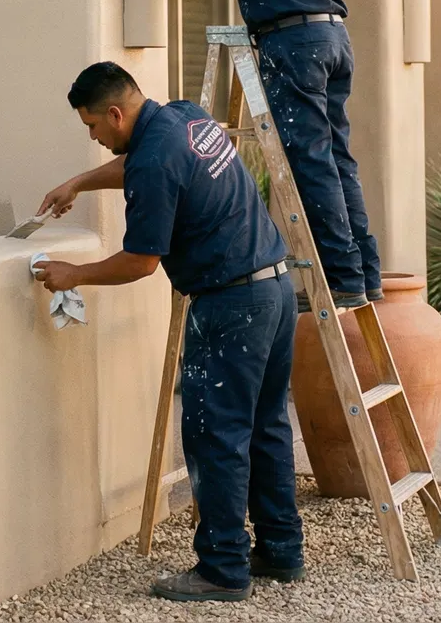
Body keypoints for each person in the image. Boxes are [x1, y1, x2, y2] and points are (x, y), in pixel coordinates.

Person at [35, 62, 304, 602]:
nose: (94, 137)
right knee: (266, 425)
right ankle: (280, 551)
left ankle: (223, 570)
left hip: (231, 304)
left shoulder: (154, 157)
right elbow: (146, 164)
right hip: (275, 289)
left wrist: (75, 274)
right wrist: (81, 183)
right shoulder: (183, 117)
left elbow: (141, 261)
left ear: (115, 113)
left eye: (92, 127)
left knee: (215, 435)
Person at [128, 0, 380, 308]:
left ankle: (339, 280)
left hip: (293, 42)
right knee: (337, 158)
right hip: (332, 37)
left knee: (309, 161)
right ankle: (363, 274)